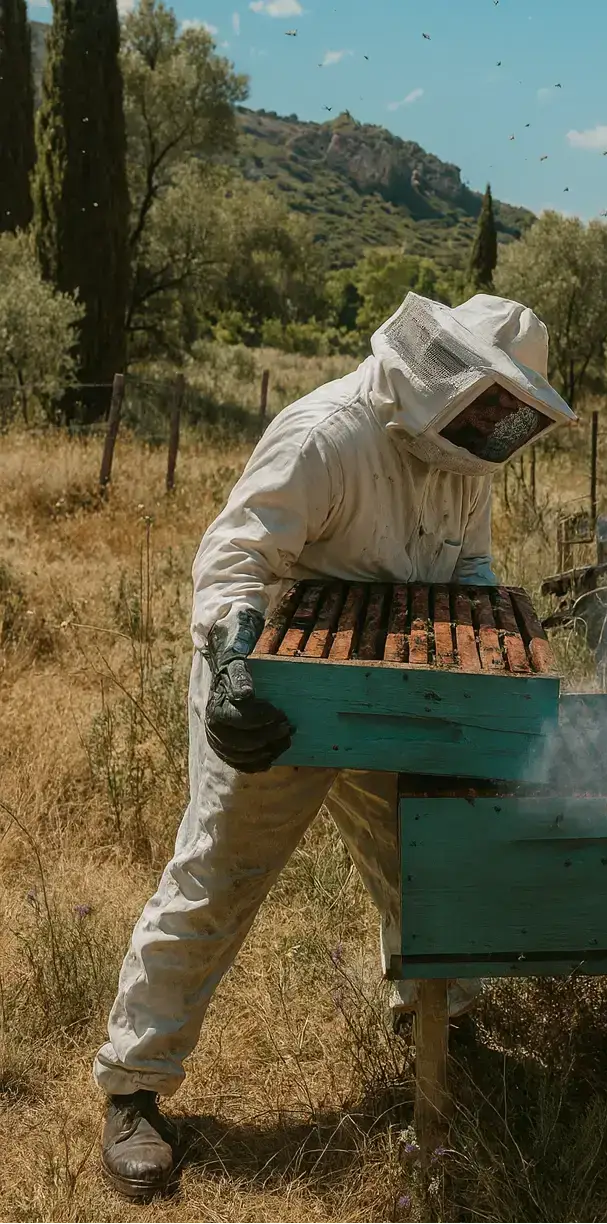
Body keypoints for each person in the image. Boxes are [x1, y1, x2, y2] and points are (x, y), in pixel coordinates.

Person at [93, 292, 576, 1201]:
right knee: (218, 871)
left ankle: (441, 1025)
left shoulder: (465, 455)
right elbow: (235, 558)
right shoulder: (326, 434)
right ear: (446, 375)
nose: (494, 423)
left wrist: (487, 631)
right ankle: (135, 1086)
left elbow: (465, 562)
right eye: (487, 402)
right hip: (279, 690)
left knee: (420, 858)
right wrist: (234, 674)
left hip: (398, 693)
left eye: (505, 410)